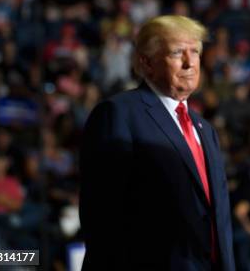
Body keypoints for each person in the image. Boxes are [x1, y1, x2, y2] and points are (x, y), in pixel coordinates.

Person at [80, 15, 235, 270]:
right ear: (146, 63)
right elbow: (102, 215)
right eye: (177, 53)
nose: (189, 63)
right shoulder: (118, 114)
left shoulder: (205, 130)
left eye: (194, 52)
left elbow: (219, 220)